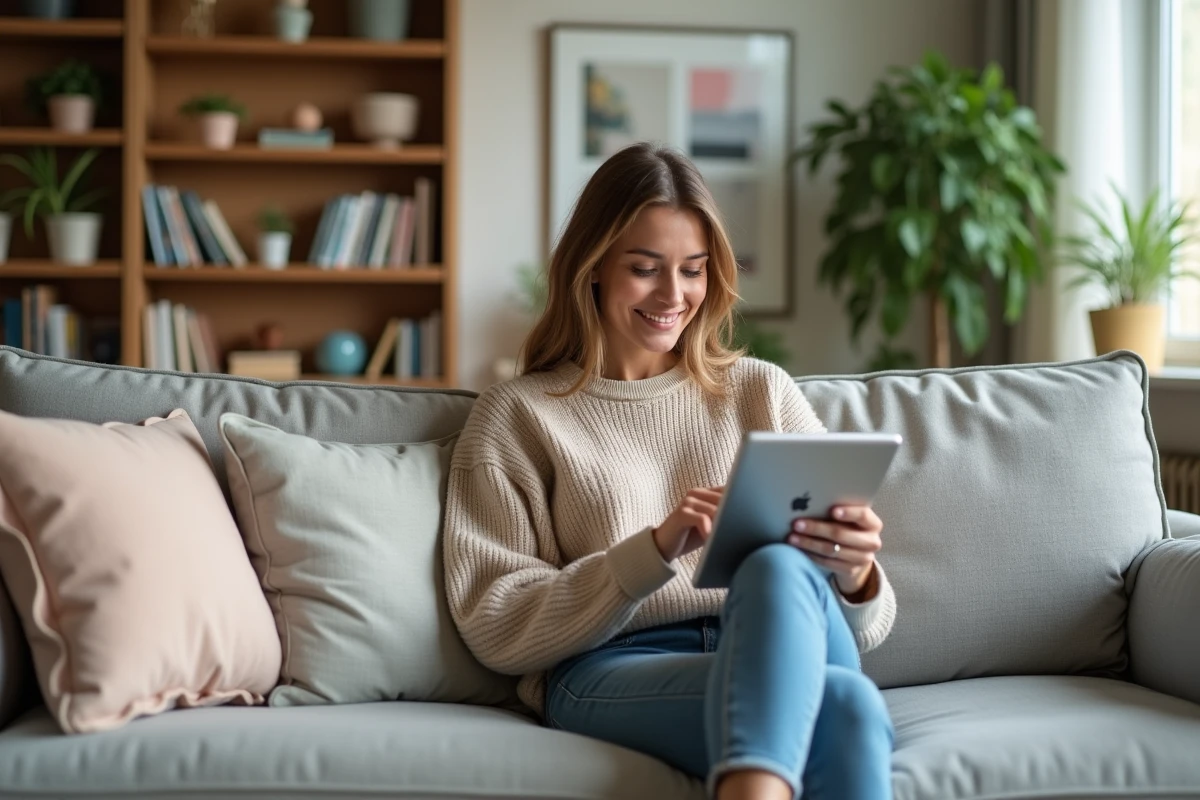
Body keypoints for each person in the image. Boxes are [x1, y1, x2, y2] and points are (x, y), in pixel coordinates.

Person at [443, 142, 897, 800]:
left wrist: (856, 574)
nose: (673, 295)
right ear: (592, 266)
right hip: (615, 668)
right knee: (850, 709)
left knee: (774, 565)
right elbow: (495, 623)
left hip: (784, 643)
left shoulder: (761, 392)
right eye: (645, 268)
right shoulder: (519, 415)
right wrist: (650, 552)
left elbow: (867, 628)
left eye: (693, 270)